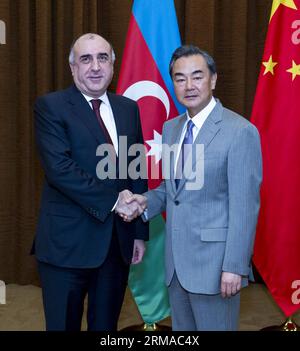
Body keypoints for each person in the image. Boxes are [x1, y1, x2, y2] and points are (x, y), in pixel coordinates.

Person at [126, 45, 262, 331]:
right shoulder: (171, 129)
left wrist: (235, 266)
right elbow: (171, 191)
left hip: (216, 268)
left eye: (197, 77)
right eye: (180, 78)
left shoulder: (240, 132)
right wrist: (144, 202)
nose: (189, 86)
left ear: (213, 80)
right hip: (176, 265)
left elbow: (244, 207)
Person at [32, 33, 148, 331]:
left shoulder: (127, 108)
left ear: (112, 65)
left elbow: (135, 169)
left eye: (102, 58)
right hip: (66, 246)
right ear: (73, 68)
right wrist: (114, 201)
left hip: (116, 244)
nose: (95, 67)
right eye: (86, 59)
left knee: (106, 328)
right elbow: (60, 169)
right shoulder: (51, 106)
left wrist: (139, 231)